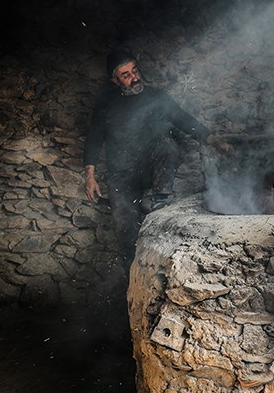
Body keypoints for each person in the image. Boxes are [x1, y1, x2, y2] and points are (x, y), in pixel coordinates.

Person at [83, 48, 232, 263]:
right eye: (126, 75)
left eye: (135, 71)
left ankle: (160, 198)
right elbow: (94, 138)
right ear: (115, 81)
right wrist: (90, 176)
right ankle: (132, 275)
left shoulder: (156, 97)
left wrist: (214, 140)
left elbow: (183, 119)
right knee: (125, 230)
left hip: (149, 169)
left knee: (167, 144)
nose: (135, 77)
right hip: (121, 176)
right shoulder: (106, 103)